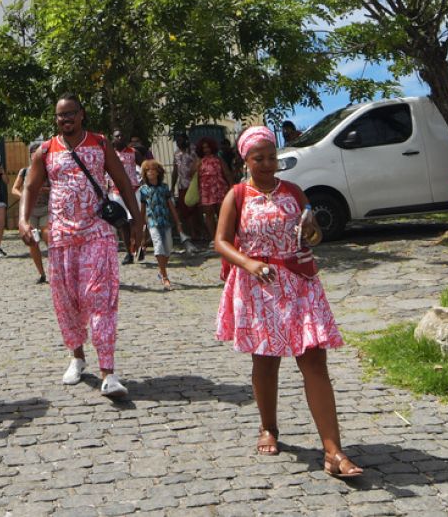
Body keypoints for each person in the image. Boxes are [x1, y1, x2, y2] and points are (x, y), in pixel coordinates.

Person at [214, 125, 364, 478]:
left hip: (299, 283)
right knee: (265, 362)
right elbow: (220, 242)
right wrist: (249, 263)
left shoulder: (294, 191)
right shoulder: (237, 195)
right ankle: (269, 427)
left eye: (272, 157)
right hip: (259, 288)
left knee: (314, 362)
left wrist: (314, 232)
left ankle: (333, 451)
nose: (267, 164)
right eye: (259, 158)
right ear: (246, 160)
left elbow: (310, 233)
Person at [18, 94, 143, 399]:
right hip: (61, 237)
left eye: (71, 113)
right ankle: (77, 357)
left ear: (82, 114)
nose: (66, 119)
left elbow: (124, 183)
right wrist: (23, 220)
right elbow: (31, 186)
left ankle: (108, 373)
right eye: (61, 116)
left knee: (100, 299)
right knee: (67, 300)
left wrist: (136, 221)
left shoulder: (100, 144)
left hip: (96, 233)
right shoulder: (45, 150)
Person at [135, 159, 184, 289]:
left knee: (168, 248)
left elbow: (170, 205)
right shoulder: (143, 190)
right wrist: (141, 225)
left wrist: (178, 221)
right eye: (147, 170)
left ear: (158, 172)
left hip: (165, 221)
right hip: (153, 222)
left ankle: (161, 270)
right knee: (159, 246)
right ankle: (165, 276)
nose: (150, 172)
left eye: (153, 169)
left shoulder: (164, 188)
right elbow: (143, 209)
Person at [11, 141, 49, 284]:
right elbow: (14, 188)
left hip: (46, 209)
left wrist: (43, 190)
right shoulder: (24, 171)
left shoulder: (48, 171)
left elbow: (58, 188)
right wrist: (24, 197)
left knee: (47, 236)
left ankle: (56, 269)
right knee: (32, 242)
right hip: (30, 211)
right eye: (34, 153)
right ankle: (41, 273)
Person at [196, 137, 234, 247]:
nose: (206, 150)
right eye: (203, 148)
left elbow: (226, 173)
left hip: (219, 188)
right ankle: (213, 238)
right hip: (206, 190)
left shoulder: (218, 159)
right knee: (208, 214)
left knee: (222, 213)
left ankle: (224, 237)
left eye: (208, 147)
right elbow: (196, 178)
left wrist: (231, 185)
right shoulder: (199, 162)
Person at [112, 130, 139, 263]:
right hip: (117, 192)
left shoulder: (133, 152)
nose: (120, 137)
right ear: (113, 138)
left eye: (122, 135)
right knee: (122, 224)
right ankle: (129, 252)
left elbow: (146, 165)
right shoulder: (110, 155)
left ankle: (137, 247)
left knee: (134, 221)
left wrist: (144, 181)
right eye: (117, 136)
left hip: (133, 190)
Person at [171, 134, 202, 246]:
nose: (179, 142)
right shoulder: (177, 154)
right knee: (185, 211)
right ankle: (192, 233)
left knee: (196, 209)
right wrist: (172, 186)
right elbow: (175, 171)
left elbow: (199, 163)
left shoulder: (193, 151)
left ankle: (199, 232)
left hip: (194, 184)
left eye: (181, 140)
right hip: (182, 185)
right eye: (177, 141)